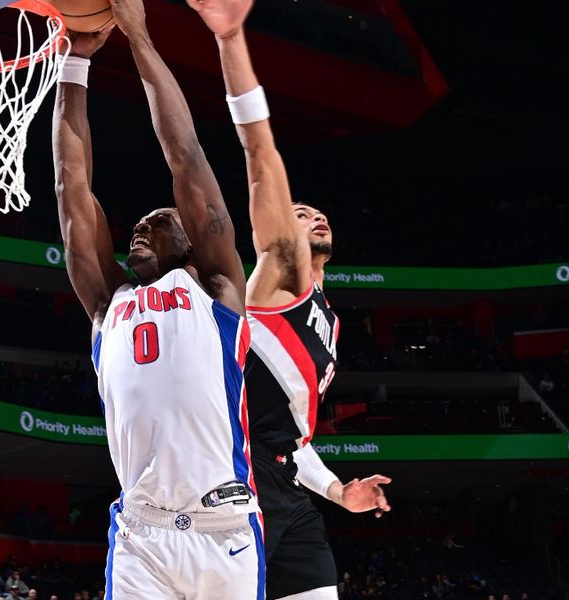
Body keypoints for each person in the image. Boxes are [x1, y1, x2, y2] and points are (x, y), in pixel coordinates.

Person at [51, 2, 263, 597]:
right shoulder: (107, 304)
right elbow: (73, 188)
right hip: (142, 534)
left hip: (224, 529)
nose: (140, 228)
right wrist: (75, 64)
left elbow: (186, 155)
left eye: (159, 222)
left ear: (195, 241)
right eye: (138, 225)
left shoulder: (216, 287)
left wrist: (140, 36)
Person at [188, 1, 392, 598]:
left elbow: (295, 441)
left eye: (318, 211)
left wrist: (338, 492)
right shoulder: (281, 275)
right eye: (299, 213)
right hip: (235, 488)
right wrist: (230, 39)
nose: (312, 215)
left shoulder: (329, 321)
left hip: (288, 492)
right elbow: (260, 159)